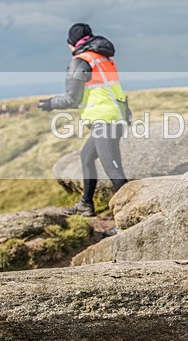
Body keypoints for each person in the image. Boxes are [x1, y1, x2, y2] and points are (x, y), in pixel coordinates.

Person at [38, 23, 130, 216]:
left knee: (115, 173)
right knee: (86, 157)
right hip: (115, 116)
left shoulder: (80, 61)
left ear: (71, 43)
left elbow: (73, 98)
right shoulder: (102, 57)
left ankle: (126, 218)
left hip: (104, 121)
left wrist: (50, 103)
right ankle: (85, 205)